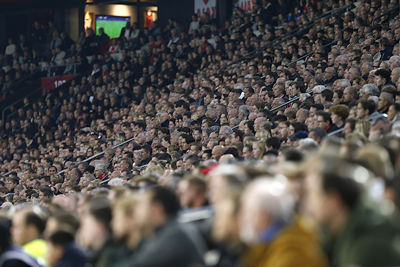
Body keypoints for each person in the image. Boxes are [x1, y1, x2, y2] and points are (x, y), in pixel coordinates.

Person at [304, 155, 400, 267]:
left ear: (333, 201)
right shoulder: (344, 235)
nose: (308, 206)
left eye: (312, 195)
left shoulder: (368, 248)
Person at [239, 177, 327, 267]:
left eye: (248, 211)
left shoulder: (291, 255)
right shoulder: (269, 244)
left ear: (263, 215)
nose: (244, 218)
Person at [118, 186, 204, 267]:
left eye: (141, 207)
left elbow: (139, 264)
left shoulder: (174, 234)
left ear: (157, 208)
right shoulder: (170, 229)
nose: (137, 213)